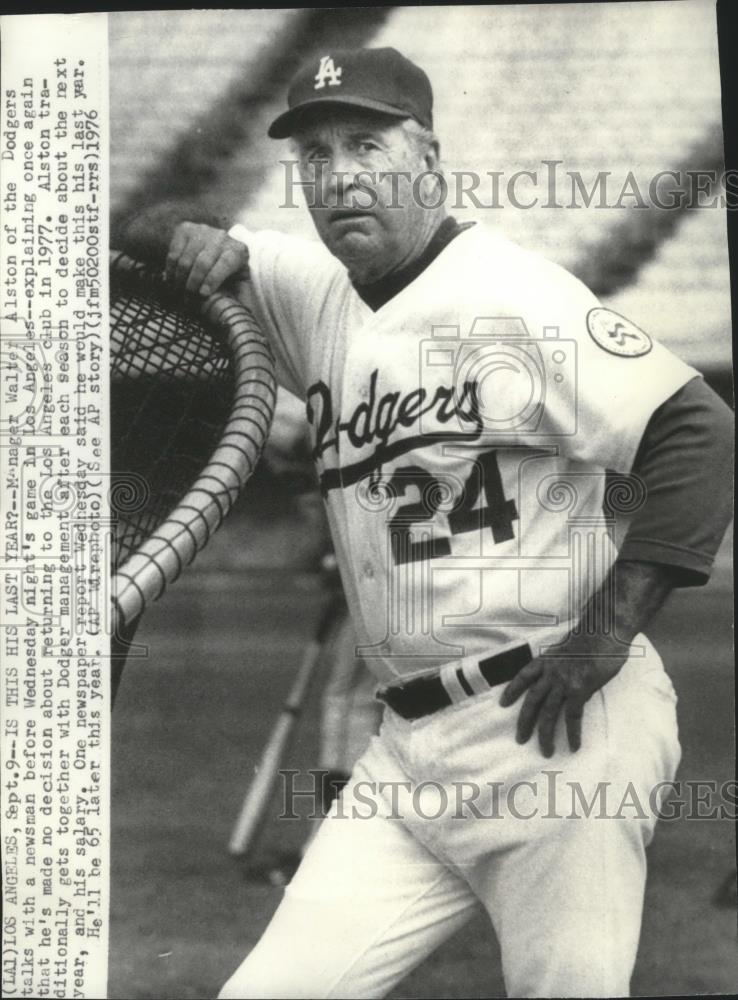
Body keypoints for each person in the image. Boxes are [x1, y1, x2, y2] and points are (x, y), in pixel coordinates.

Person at [156, 47, 732, 999]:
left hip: (558, 730)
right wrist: (189, 233)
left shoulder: (514, 295)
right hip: (407, 754)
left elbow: (697, 432)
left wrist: (603, 637)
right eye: (317, 155)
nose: (340, 175)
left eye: (367, 145)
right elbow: (148, 230)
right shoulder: (311, 290)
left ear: (428, 155)